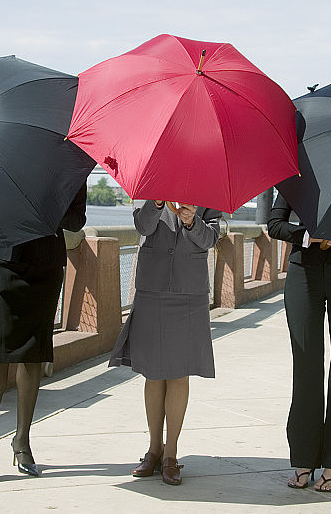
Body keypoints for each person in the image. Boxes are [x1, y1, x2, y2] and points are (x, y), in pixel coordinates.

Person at [0, 183, 87, 488]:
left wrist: (50, 207)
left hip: (46, 266)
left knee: (34, 354)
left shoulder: (71, 166)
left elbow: (76, 220)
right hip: (3, 262)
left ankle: (22, 442)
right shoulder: (2, 162)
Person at [109, 199, 221, 485]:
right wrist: (156, 203)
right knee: (153, 373)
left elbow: (211, 239)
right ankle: (153, 449)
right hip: (152, 287)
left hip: (189, 290)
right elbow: (142, 226)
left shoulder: (208, 190)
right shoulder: (149, 187)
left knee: (180, 373)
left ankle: (171, 453)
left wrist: (193, 222)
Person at [267, 193, 331, 493]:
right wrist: (307, 236)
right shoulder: (298, 175)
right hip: (303, 273)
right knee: (306, 367)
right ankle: (304, 458)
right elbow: (274, 224)